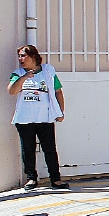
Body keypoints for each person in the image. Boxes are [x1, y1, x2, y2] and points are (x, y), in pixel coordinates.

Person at [7, 45, 69, 190]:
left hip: (44, 117)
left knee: (50, 148)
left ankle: (55, 178)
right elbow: (12, 91)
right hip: (25, 118)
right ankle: (31, 178)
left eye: (24, 56)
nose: (21, 59)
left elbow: (58, 91)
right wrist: (23, 78)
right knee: (27, 149)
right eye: (19, 56)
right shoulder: (18, 73)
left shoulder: (47, 71)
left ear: (33, 57)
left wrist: (60, 112)